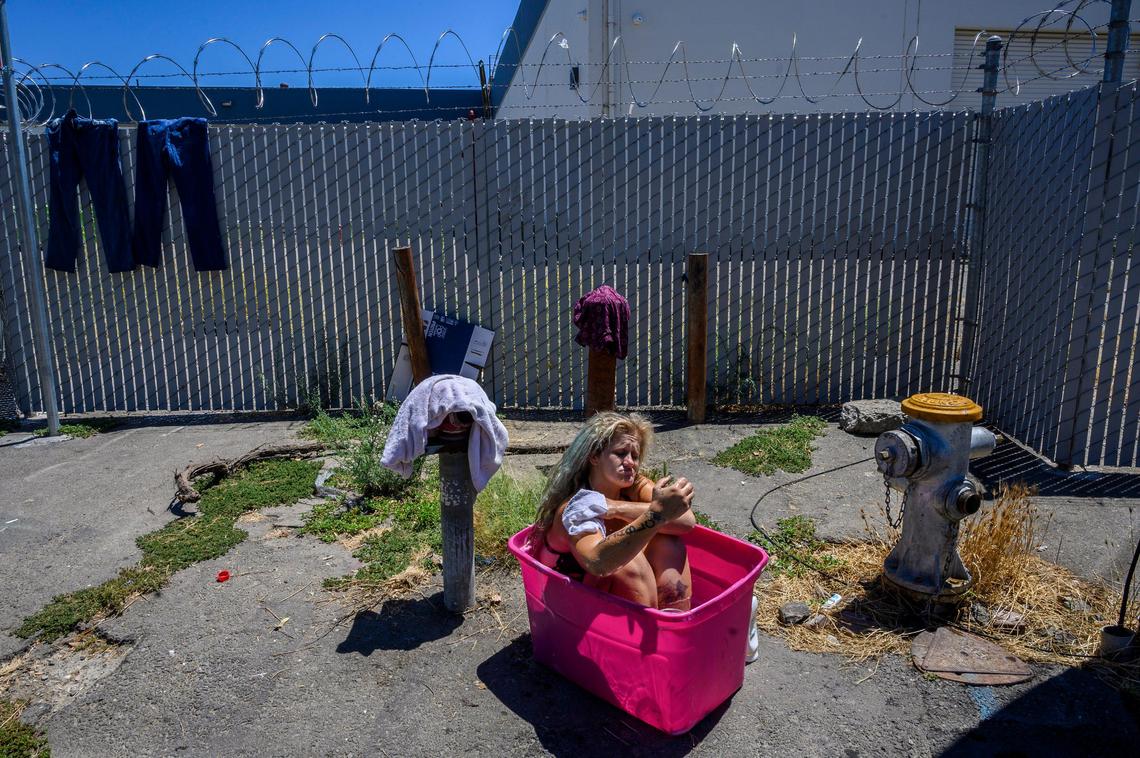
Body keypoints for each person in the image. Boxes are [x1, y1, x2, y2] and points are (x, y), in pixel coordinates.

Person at [532, 412, 696, 611]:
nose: (630, 463)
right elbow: (598, 562)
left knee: (669, 544)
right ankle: (649, 632)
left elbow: (686, 521)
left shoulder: (633, 486)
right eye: (620, 453)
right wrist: (656, 513)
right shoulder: (577, 507)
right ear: (594, 456)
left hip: (605, 598)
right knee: (628, 559)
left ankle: (673, 623)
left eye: (635, 456)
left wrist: (615, 507)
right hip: (563, 606)